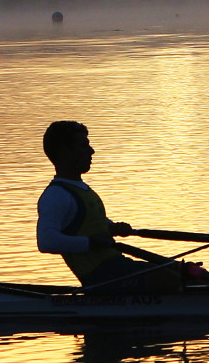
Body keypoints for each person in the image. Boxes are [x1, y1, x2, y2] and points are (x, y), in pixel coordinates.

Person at [37, 120, 183, 293]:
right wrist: (90, 242)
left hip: (118, 267)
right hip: (102, 277)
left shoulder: (79, 189)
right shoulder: (56, 195)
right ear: (64, 152)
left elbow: (88, 223)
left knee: (185, 273)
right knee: (169, 279)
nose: (91, 151)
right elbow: (46, 241)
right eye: (83, 146)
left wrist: (112, 227)